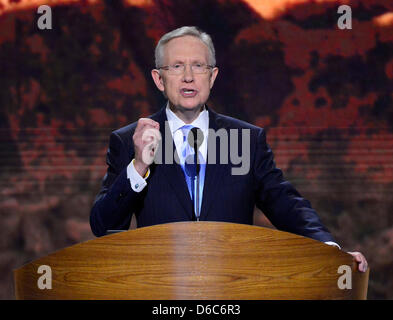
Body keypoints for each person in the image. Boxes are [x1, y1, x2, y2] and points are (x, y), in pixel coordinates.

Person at [90, 26, 367, 272]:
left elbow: (283, 201)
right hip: (161, 290)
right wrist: (138, 166)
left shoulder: (246, 138)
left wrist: (326, 246)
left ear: (212, 77)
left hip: (234, 287)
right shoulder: (129, 140)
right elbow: (104, 226)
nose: (188, 76)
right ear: (158, 79)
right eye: (176, 66)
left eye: (198, 66)